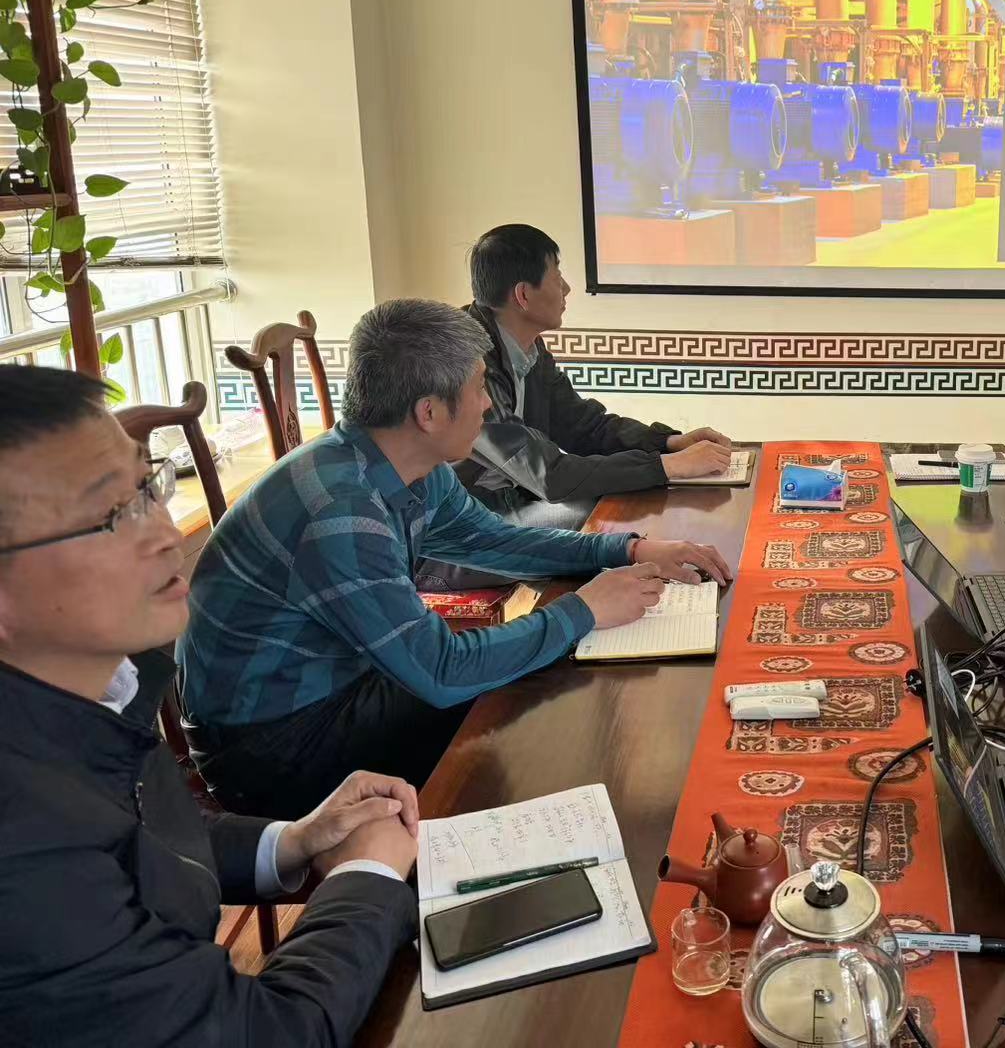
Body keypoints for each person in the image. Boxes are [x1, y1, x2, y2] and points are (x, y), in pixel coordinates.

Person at [180, 298, 732, 820]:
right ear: (429, 412)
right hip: (273, 747)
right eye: (478, 388)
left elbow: (497, 542)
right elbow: (440, 670)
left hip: (345, 683)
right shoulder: (340, 512)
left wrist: (628, 548)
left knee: (524, 683)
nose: (487, 404)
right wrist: (583, 610)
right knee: (513, 712)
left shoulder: (405, 465)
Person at [0, 366, 419, 1047]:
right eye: (111, 516)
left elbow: (139, 838)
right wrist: (366, 875)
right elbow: (268, 1034)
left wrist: (295, 840)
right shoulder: (22, 848)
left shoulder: (104, 686)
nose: (167, 534)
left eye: (148, 487)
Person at [458, 222, 732, 516]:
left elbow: (584, 427)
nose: (566, 289)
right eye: (557, 278)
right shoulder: (466, 360)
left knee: (626, 505)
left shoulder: (529, 345)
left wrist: (668, 443)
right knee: (614, 516)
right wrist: (667, 466)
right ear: (523, 295)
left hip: (517, 499)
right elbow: (548, 475)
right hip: (477, 516)